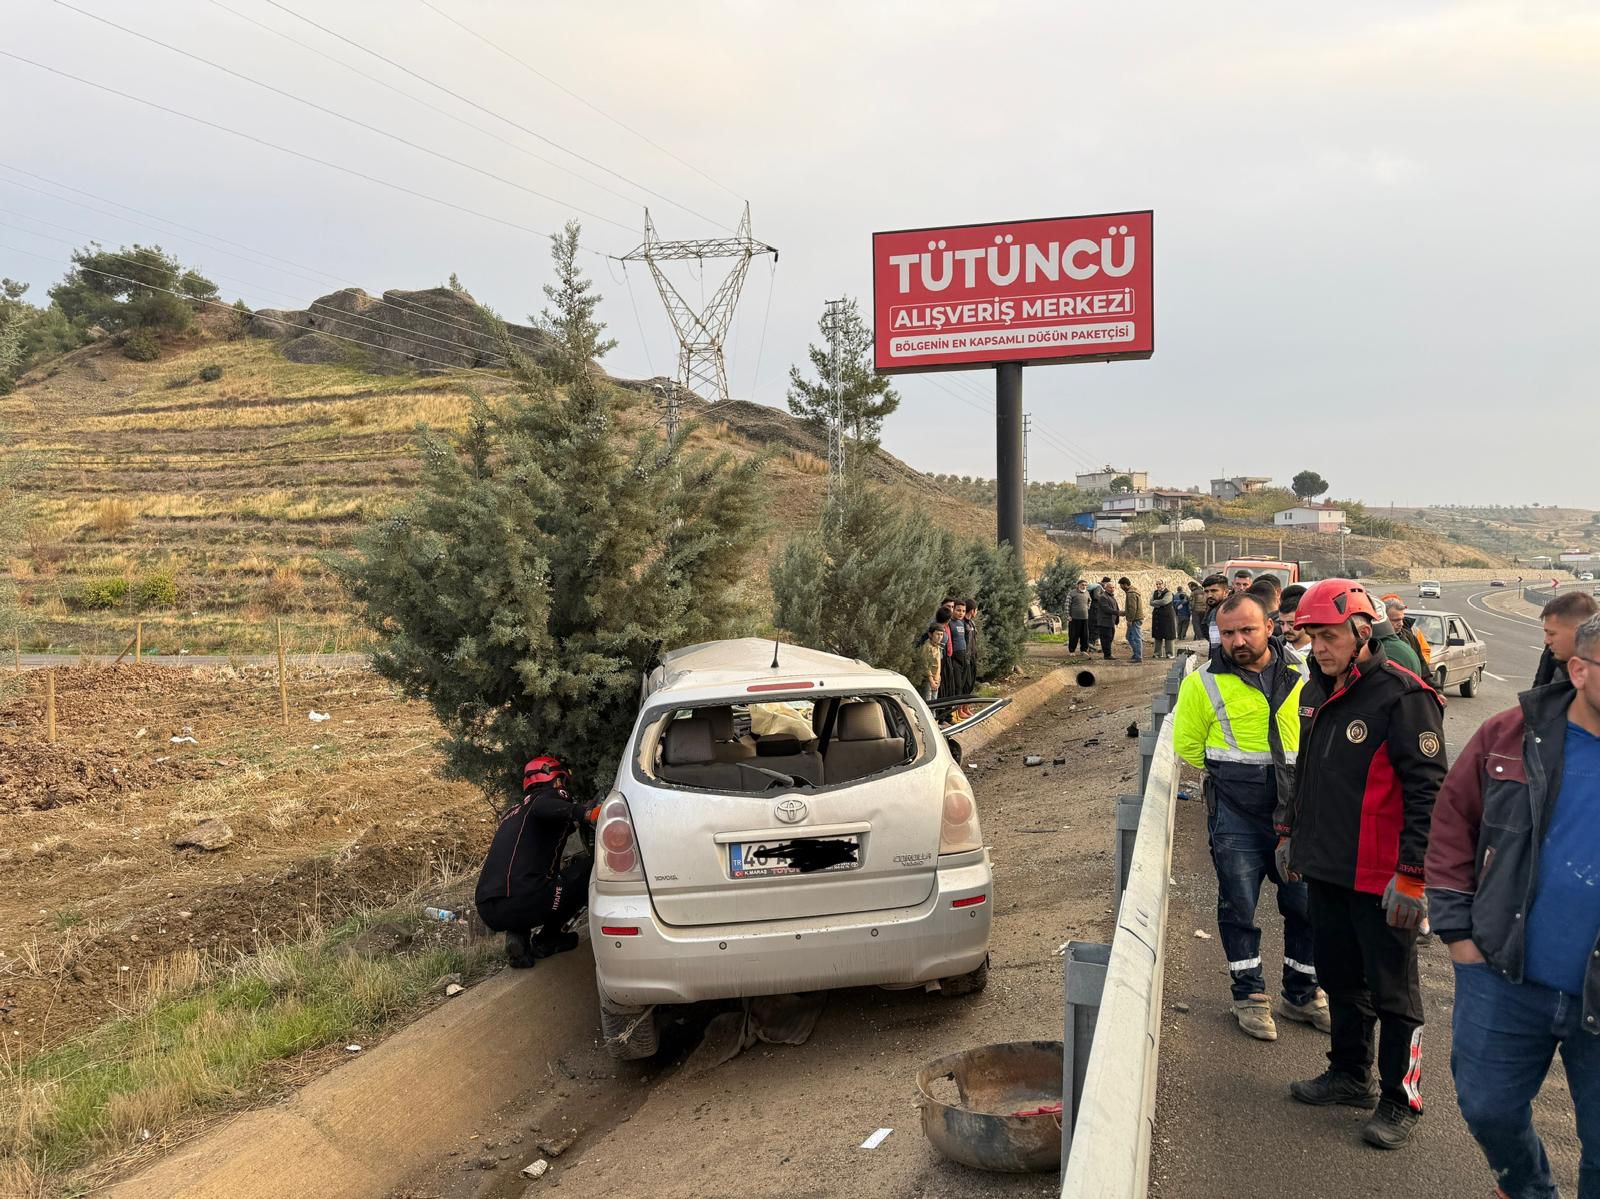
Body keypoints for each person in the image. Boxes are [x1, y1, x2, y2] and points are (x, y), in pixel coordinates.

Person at [1427, 611, 1600, 1199]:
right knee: (1488, 1109)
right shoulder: (1509, 733)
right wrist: (1459, 935)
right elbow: (1453, 824)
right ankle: (1528, 1190)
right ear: (1578, 669)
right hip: (1503, 973)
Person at [1279, 579, 1447, 1150]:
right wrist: (1292, 837)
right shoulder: (1314, 691)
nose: (1317, 648)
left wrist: (1413, 876)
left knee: (1395, 994)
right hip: (1328, 867)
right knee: (1340, 978)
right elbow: (1308, 774)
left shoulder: (1403, 698)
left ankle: (1403, 1099)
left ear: (1359, 632)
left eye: (1327, 637)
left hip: (1384, 879)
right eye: (1311, 638)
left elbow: (1429, 794)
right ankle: (1351, 1074)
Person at [1173, 591, 1326, 1041]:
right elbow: (1189, 747)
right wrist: (1239, 781)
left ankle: (1301, 994)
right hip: (1236, 819)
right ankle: (1250, 995)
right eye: (1228, 632)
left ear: (1271, 627)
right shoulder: (1203, 683)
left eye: (1247, 630)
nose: (1237, 640)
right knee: (1239, 907)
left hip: (1296, 814)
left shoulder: (1304, 673)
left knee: (1305, 907)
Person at [475, 755, 596, 968]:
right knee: (589, 870)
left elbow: (561, 824)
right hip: (527, 900)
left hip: (489, 907)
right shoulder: (545, 799)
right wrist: (587, 813)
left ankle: (518, 938)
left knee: (528, 881)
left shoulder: (513, 813)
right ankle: (548, 939)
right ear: (558, 781)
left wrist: (576, 819)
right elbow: (548, 806)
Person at [1534, 591, 1600, 687]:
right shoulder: (1551, 655)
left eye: (1552, 634)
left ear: (1579, 631)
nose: (1547, 641)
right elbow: (1537, 694)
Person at [1381, 596, 1431, 674]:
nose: (1401, 624)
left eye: (1402, 619)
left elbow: (1424, 671)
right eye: (1395, 620)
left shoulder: (1410, 637)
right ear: (1383, 618)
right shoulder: (1373, 641)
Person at [919, 611, 949, 702]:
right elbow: (925, 665)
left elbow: (938, 664)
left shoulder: (938, 647)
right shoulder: (927, 647)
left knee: (934, 704)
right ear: (930, 634)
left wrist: (938, 678)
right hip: (928, 680)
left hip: (936, 680)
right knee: (928, 703)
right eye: (937, 634)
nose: (939, 637)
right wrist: (931, 680)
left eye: (941, 635)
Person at [1194, 573, 1231, 648]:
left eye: (1214, 591)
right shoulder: (1213, 609)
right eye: (1206, 591)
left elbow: (1216, 644)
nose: (1209, 595)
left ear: (1226, 592)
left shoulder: (1220, 611)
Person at [1278, 584, 1312, 663]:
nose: (1285, 629)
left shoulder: (1321, 649)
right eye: (1281, 623)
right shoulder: (1274, 649)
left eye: (1291, 624)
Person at [1091, 580, 1121, 660]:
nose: (1112, 589)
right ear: (1106, 588)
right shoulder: (1103, 597)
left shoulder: (1111, 596)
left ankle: (1108, 654)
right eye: (1110, 587)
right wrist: (1119, 613)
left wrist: (1117, 618)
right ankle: (1107, 655)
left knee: (1110, 638)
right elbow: (1106, 609)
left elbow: (1116, 607)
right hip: (1104, 622)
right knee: (1106, 639)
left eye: (1113, 587)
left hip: (1110, 622)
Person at [1119, 576, 1145, 663]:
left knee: (1136, 637)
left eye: (1121, 586)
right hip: (1136, 618)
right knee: (1129, 637)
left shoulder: (1131, 593)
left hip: (1135, 619)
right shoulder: (1133, 591)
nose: (1121, 588)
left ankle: (1138, 656)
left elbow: (1132, 608)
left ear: (1125, 585)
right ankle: (1136, 654)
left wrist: (1129, 620)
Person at [1151, 580, 1179, 659]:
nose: (1158, 585)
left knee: (1168, 635)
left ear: (1164, 584)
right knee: (1158, 635)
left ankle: (1170, 653)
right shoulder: (1155, 593)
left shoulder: (1169, 593)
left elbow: (1165, 601)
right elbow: (1150, 602)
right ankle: (1157, 653)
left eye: (1160, 584)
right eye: (1157, 584)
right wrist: (1157, 603)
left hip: (1167, 617)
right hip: (1157, 617)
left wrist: (1155, 602)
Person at [1067, 579, 1093, 654]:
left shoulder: (1087, 593)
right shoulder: (1072, 593)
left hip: (1085, 618)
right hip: (1074, 618)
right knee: (1073, 635)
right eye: (1082, 585)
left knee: (1085, 635)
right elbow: (1067, 605)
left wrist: (1087, 608)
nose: (1084, 586)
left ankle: (1083, 650)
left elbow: (1090, 601)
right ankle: (1072, 651)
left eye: (1085, 585)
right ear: (1077, 585)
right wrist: (1068, 616)